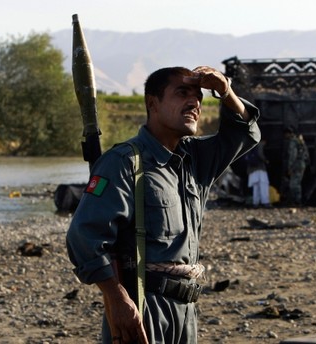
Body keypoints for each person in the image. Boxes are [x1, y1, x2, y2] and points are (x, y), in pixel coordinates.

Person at [66, 66, 260, 343]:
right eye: (182, 93)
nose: (194, 102)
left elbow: (246, 133)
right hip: (144, 306)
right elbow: (83, 236)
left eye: (199, 97)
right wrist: (116, 299)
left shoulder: (196, 161)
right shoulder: (124, 162)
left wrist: (225, 91)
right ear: (152, 103)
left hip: (186, 309)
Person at [283, 126, 309, 205]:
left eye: (286, 134)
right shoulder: (300, 141)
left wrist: (290, 167)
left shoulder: (293, 142)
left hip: (296, 165)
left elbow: (292, 156)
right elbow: (306, 154)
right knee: (296, 183)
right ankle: (297, 200)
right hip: (301, 164)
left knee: (294, 184)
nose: (285, 136)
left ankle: (297, 201)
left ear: (289, 134)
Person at [246, 139, 271, 207]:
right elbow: (260, 154)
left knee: (256, 187)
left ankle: (255, 202)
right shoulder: (260, 144)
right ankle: (265, 202)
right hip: (260, 169)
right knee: (264, 185)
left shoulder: (251, 144)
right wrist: (266, 161)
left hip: (252, 169)